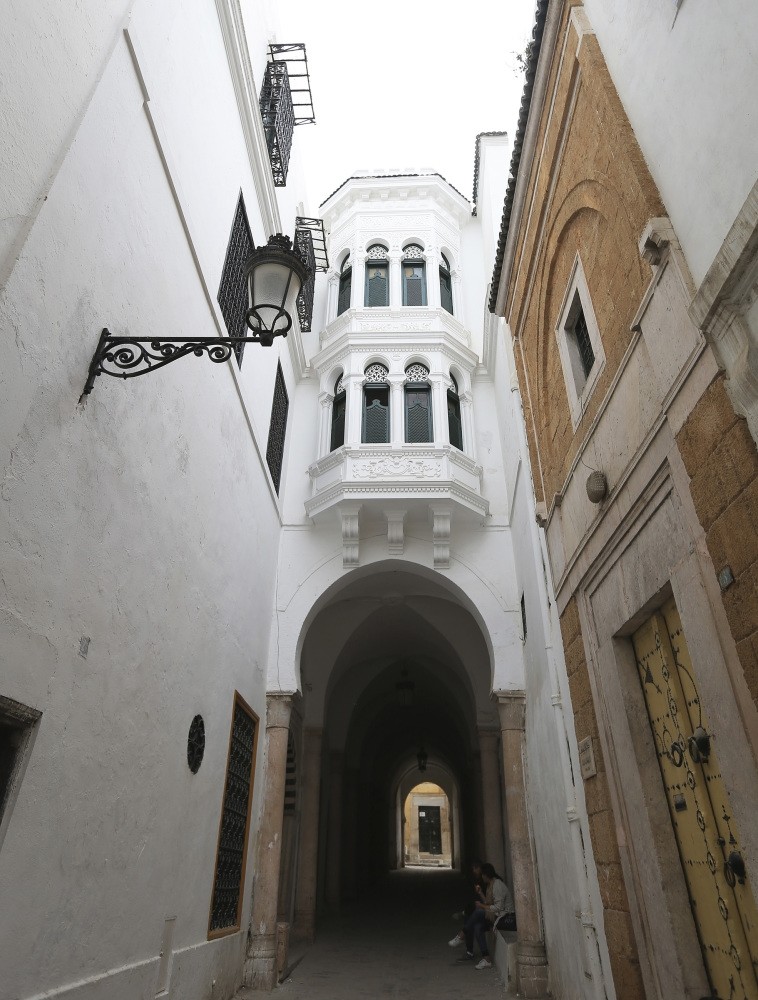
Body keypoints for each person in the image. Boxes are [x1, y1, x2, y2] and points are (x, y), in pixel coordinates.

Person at [448, 862, 515, 969]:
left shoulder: (497, 885)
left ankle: (461, 935)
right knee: (477, 926)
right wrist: (480, 893)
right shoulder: (490, 885)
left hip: (505, 917)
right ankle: (486, 959)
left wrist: (481, 906)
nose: (481, 877)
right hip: (497, 915)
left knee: (479, 911)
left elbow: (498, 908)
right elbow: (488, 903)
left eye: (482, 874)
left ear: (486, 875)